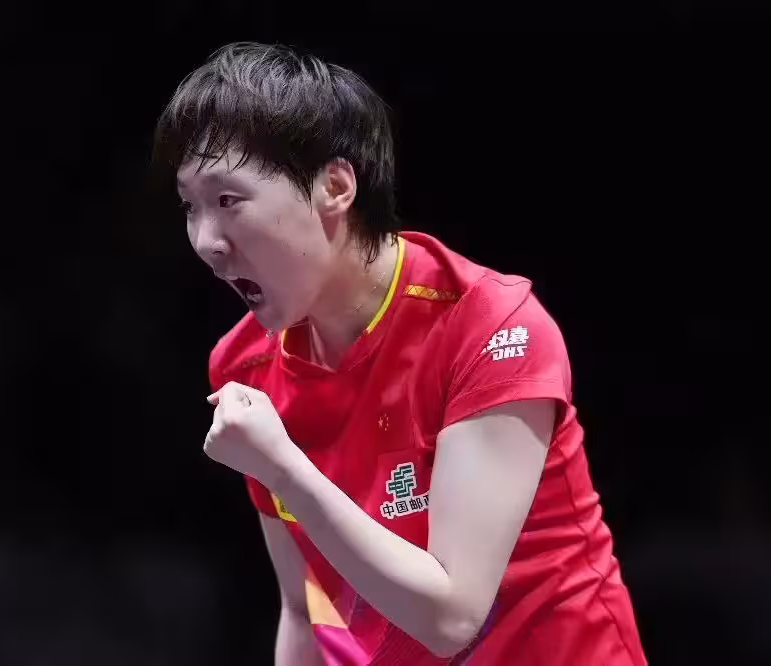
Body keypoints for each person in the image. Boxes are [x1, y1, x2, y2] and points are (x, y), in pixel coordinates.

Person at [153, 41, 647, 665]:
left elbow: (451, 617)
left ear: (335, 187)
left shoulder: (490, 329)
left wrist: (282, 467)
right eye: (190, 207)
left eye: (228, 200)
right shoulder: (246, 366)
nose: (206, 241)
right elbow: (306, 608)